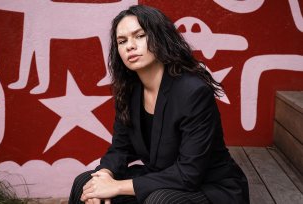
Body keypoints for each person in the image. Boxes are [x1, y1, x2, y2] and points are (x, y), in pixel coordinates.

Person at [69, 4, 249, 204]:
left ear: (160, 37)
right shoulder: (129, 91)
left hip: (210, 187)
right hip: (161, 178)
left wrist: (116, 186)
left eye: (139, 36)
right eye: (122, 41)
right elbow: (120, 149)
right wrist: (103, 177)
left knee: (160, 200)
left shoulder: (192, 92)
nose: (130, 45)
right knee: (84, 183)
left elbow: (189, 173)